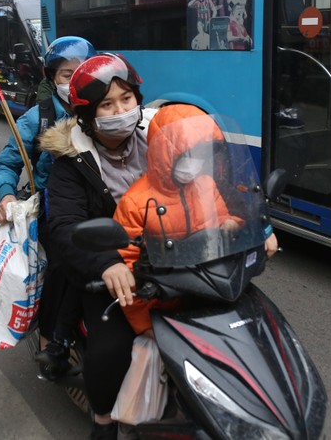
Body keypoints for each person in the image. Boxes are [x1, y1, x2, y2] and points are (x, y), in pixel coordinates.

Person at [38, 53, 156, 440]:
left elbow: (208, 181)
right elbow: (64, 226)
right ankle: (104, 421)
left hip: (173, 259)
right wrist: (106, 263)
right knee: (112, 348)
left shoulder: (159, 139)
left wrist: (250, 225)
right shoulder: (71, 164)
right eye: (107, 104)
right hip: (114, 271)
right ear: (88, 114)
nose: (120, 110)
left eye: (126, 99)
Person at [113, 104, 279, 335]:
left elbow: (223, 220)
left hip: (210, 291)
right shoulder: (135, 202)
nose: (196, 163)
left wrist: (234, 224)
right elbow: (126, 269)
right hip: (162, 304)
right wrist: (146, 327)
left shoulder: (205, 185)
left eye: (202, 155)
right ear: (165, 152)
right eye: (187, 155)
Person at [0, 36, 96, 379]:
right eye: (67, 74)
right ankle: (53, 340)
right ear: (52, 78)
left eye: (82, 71)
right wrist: (6, 195)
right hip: (56, 208)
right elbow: (7, 164)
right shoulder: (37, 119)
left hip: (104, 203)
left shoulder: (106, 108)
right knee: (65, 268)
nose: (75, 79)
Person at [35, 36, 95, 105]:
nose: (75, 83)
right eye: (67, 76)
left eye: (82, 75)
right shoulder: (38, 113)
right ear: (52, 76)